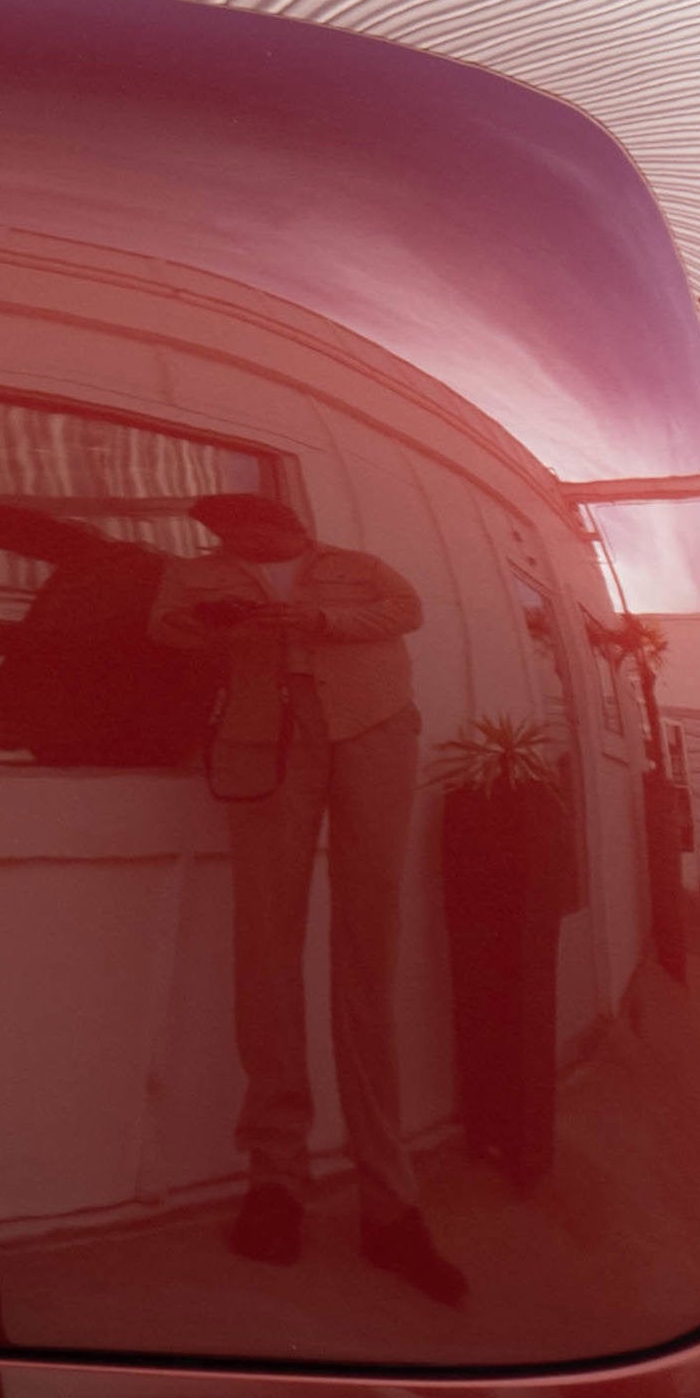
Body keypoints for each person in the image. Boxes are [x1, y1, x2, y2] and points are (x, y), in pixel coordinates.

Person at [172, 494, 463, 1299]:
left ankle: (390, 1199)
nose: (234, 538)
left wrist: (315, 624)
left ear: (289, 523)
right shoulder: (199, 574)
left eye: (250, 526)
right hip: (265, 741)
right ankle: (276, 1181)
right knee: (265, 949)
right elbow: (170, 627)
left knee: (369, 946)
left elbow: (408, 610)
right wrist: (233, 626)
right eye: (223, 529)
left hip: (372, 730)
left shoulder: (355, 567)